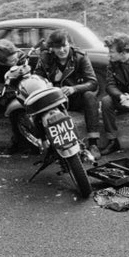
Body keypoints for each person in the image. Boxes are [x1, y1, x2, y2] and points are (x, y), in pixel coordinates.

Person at [34, 29, 102, 159]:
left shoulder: (80, 56)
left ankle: (93, 143)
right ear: (51, 48)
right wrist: (47, 86)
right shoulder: (45, 57)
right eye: (57, 47)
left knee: (90, 96)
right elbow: (37, 78)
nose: (61, 50)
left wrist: (74, 89)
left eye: (64, 46)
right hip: (54, 101)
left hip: (75, 98)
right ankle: (45, 143)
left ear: (70, 44)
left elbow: (93, 82)